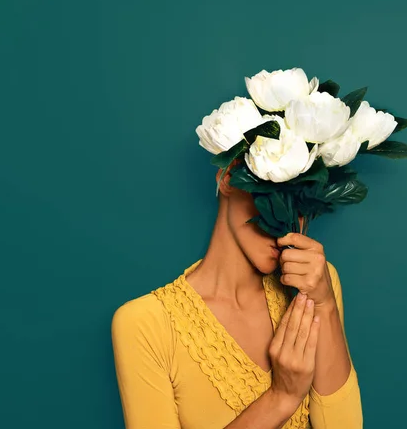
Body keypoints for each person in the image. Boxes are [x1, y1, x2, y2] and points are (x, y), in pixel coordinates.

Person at [111, 165, 363, 428]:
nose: (289, 226)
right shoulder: (145, 324)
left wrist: (324, 304)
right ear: (228, 177)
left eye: (303, 207)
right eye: (278, 195)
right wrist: (282, 397)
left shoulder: (315, 284)